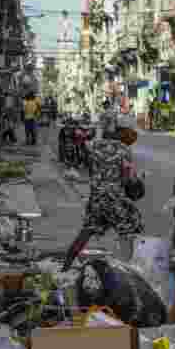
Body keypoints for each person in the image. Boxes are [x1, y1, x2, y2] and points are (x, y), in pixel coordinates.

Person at [63, 114, 144, 271]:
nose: (134, 138)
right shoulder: (124, 150)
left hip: (96, 198)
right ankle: (130, 269)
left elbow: (89, 165)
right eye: (133, 134)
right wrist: (137, 181)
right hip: (114, 199)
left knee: (87, 231)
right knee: (130, 227)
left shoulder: (95, 145)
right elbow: (127, 179)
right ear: (125, 132)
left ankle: (66, 266)